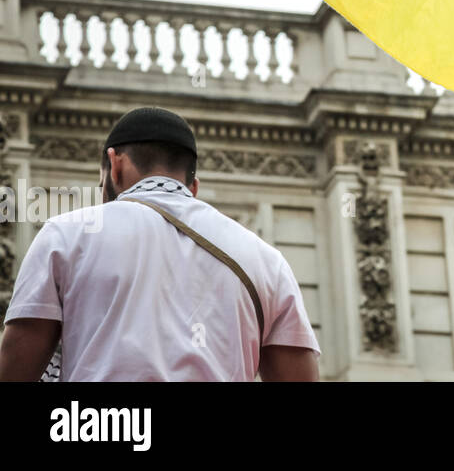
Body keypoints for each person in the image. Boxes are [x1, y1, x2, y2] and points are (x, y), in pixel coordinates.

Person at [0, 106, 320, 381]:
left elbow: (14, 371)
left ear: (116, 165)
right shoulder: (267, 261)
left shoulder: (64, 236)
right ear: (193, 186)